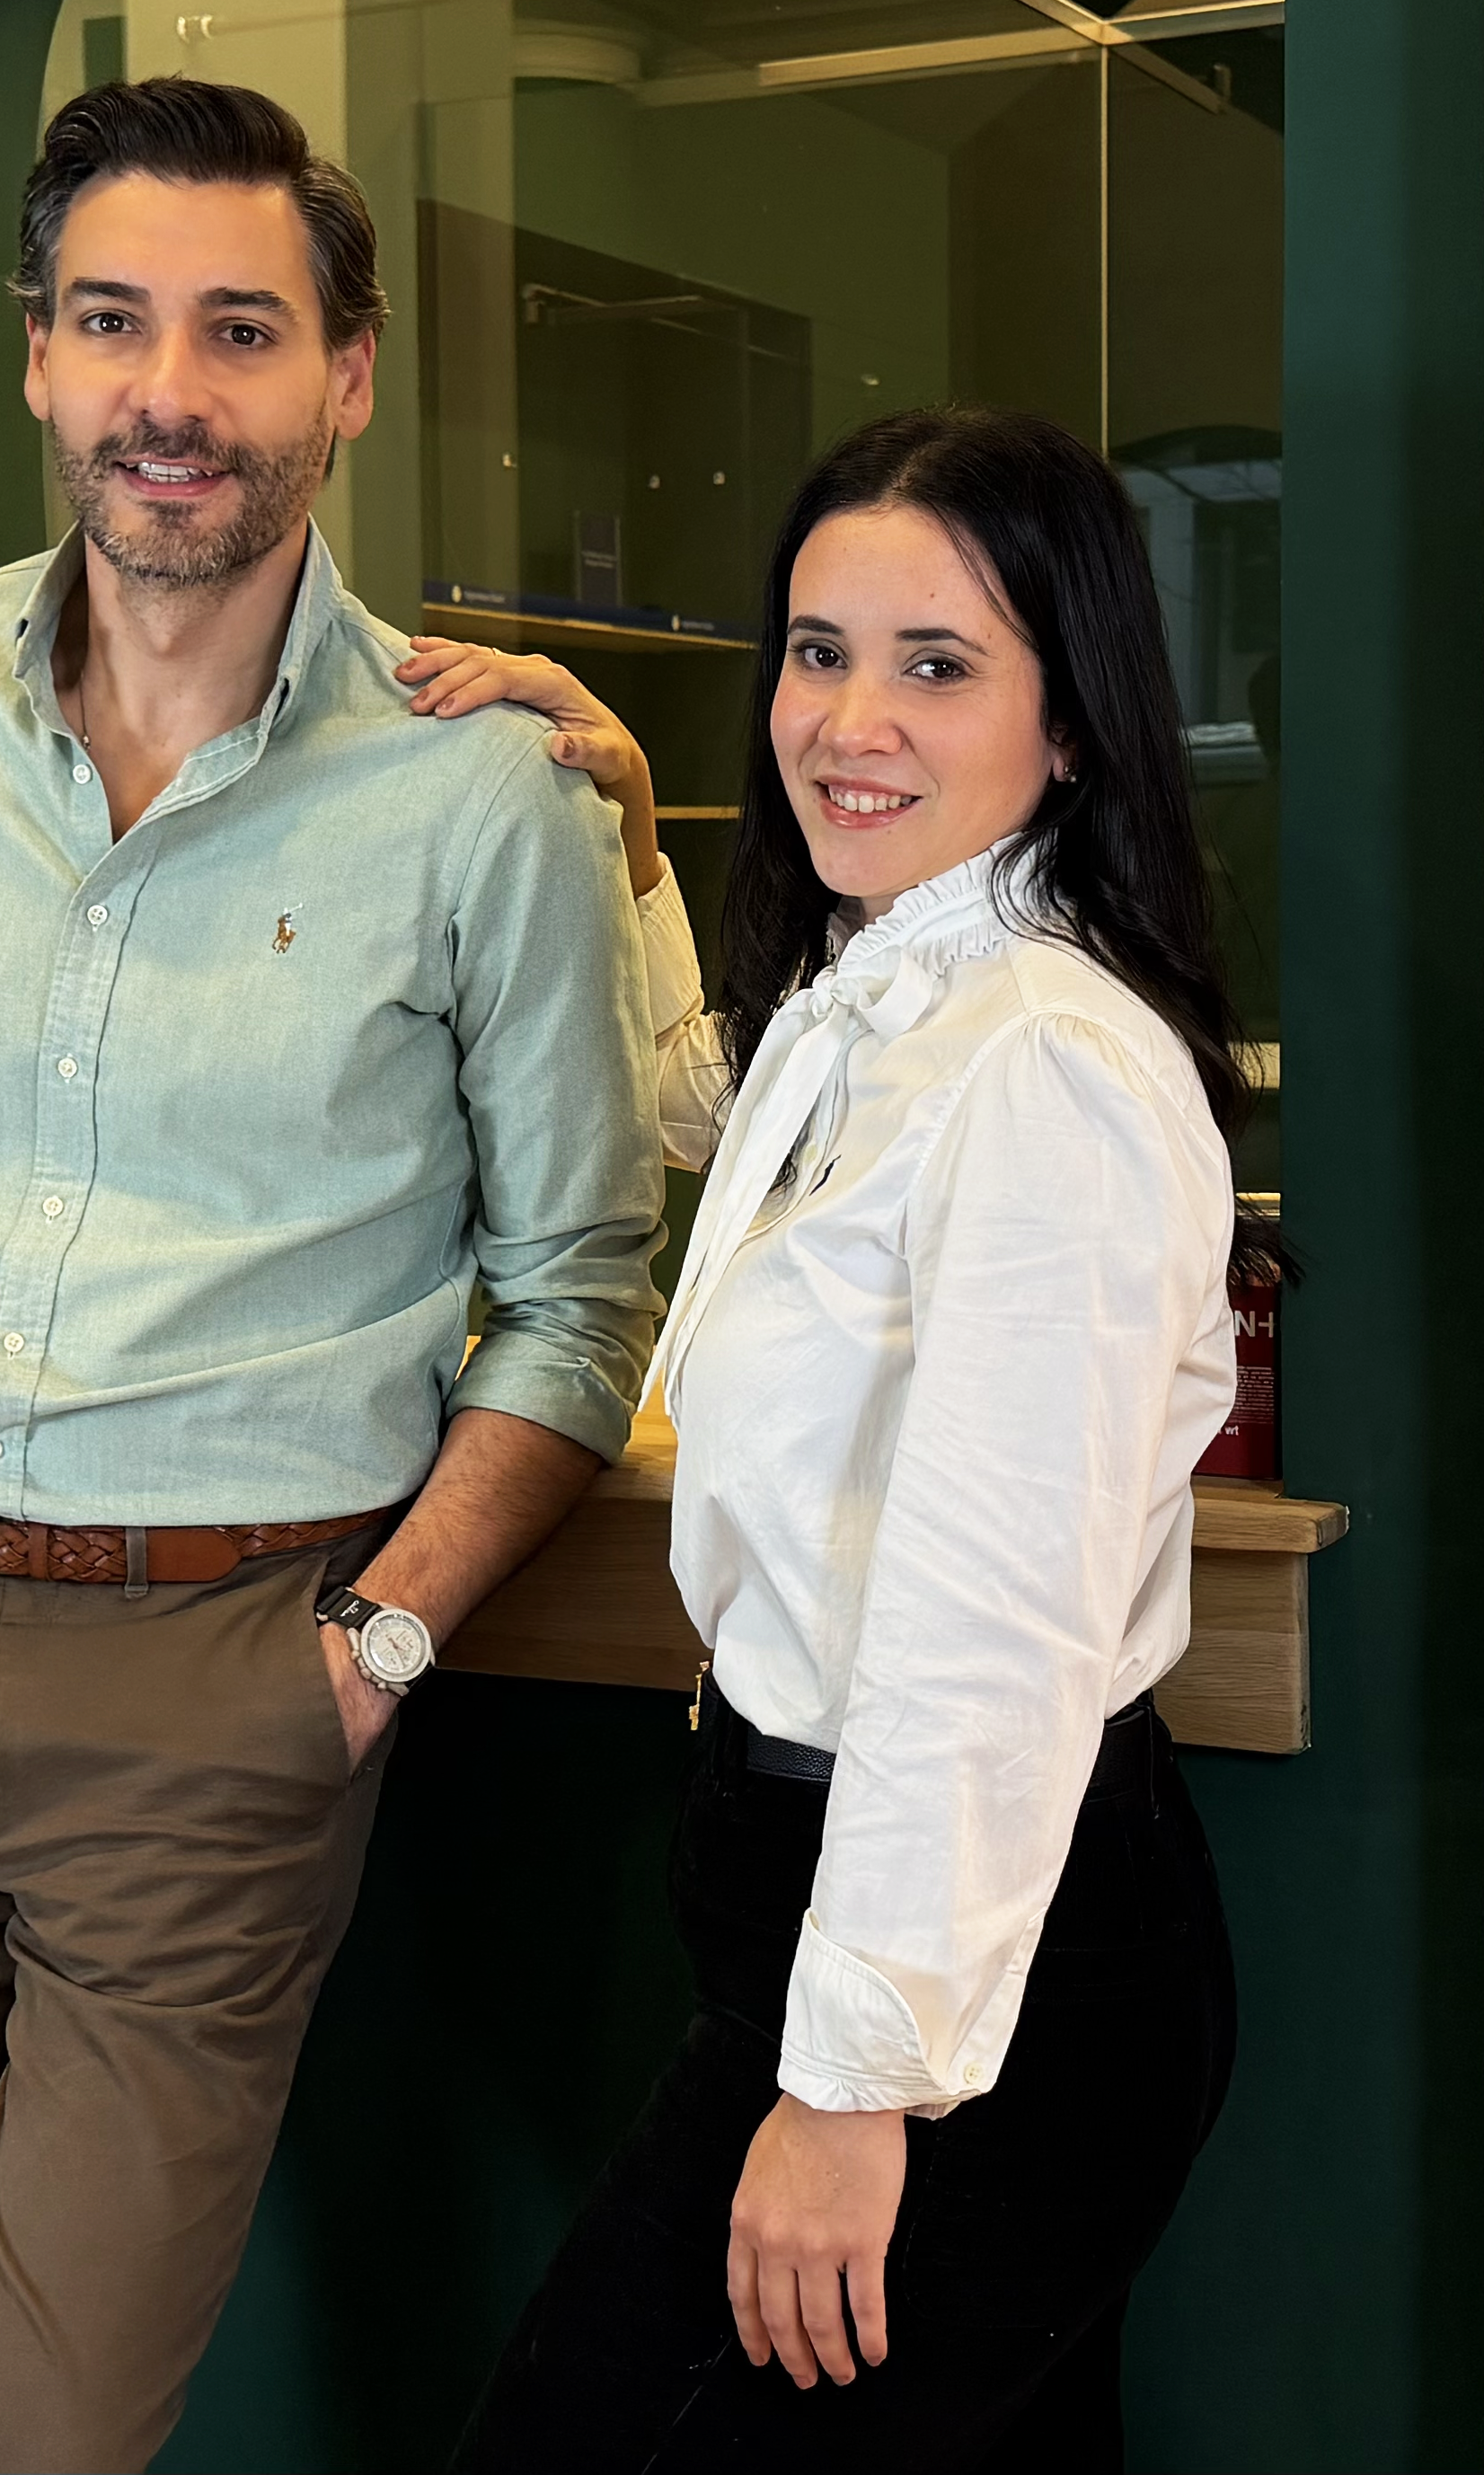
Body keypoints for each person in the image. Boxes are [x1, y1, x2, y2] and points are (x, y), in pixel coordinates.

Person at [0, 75, 662, 2475]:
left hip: (216, 1688)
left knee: (19, 2441)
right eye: (114, 321)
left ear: (346, 377)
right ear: (34, 353)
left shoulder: (488, 800)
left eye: (243, 331)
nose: (169, 393)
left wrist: (374, 1647)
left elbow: (576, 1283)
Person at [400, 405, 1243, 2471]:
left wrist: (855, 2079)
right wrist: (619, 822)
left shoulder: (1040, 1061)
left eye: (933, 663)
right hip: (839, 1905)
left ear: (1071, 718)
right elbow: (720, 1114)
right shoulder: (888, 992)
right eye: (811, 650)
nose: (846, 718)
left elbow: (986, 1619)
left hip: (969, 1967)